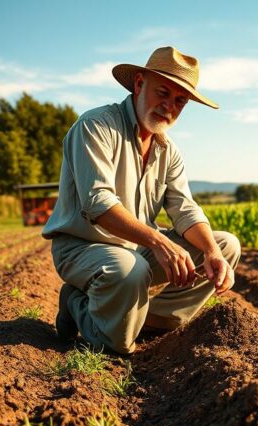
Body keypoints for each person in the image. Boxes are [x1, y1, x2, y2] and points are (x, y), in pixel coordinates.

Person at [42, 46, 240, 355]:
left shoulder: (168, 150)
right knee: (129, 278)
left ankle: (145, 322)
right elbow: (99, 203)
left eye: (180, 101)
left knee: (226, 246)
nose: (169, 107)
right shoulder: (96, 127)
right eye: (163, 93)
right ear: (139, 84)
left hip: (135, 250)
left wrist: (211, 252)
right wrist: (161, 244)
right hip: (83, 247)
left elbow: (184, 208)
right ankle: (77, 304)